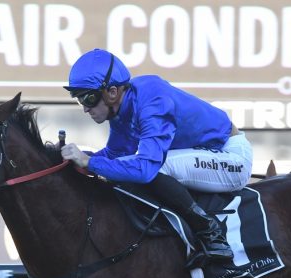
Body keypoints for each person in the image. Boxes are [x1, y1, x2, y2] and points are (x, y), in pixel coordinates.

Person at [60, 48, 254, 263]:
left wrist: (89, 162)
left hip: (231, 158)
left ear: (112, 92)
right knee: (126, 166)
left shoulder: (153, 102)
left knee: (156, 168)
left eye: (88, 98)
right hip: (206, 154)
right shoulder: (122, 106)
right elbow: (115, 154)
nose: (86, 109)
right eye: (79, 100)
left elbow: (146, 169)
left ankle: (210, 233)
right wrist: (79, 159)